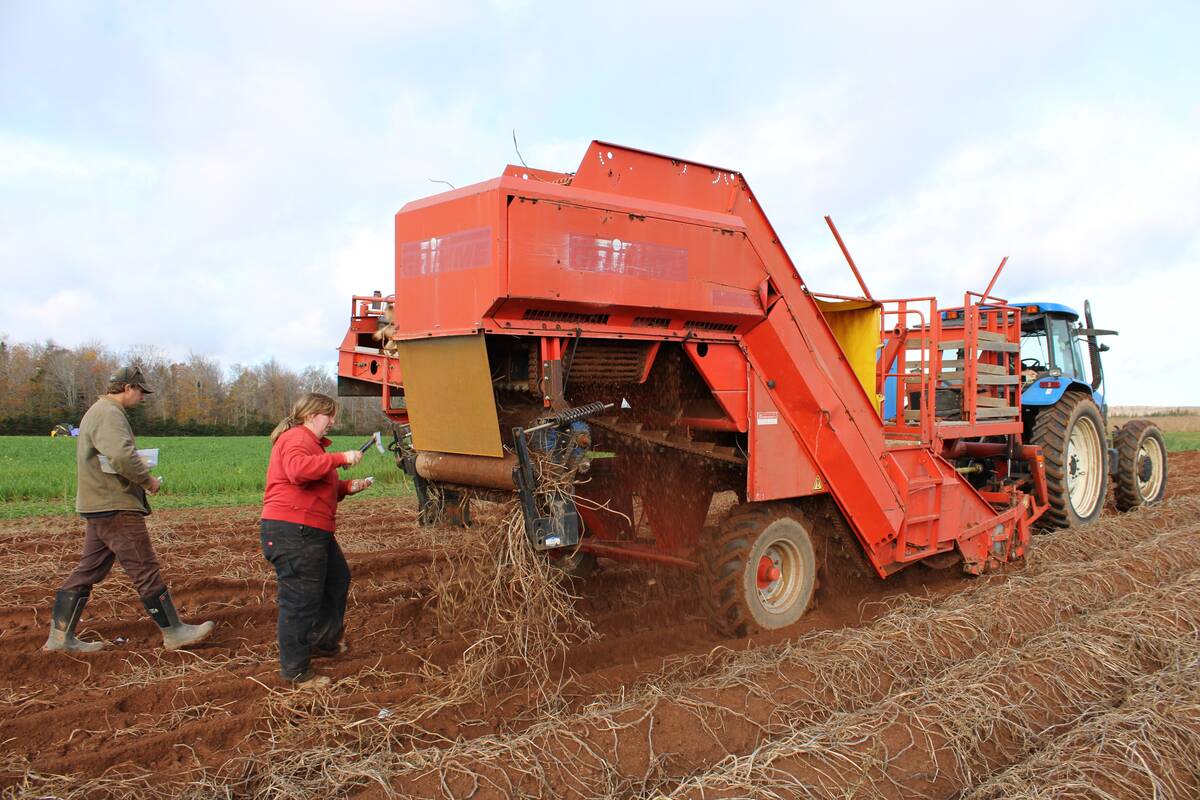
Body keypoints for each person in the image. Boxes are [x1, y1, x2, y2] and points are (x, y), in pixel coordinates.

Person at [44, 366, 215, 653]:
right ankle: (174, 632)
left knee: (89, 570)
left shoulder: (97, 412)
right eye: (141, 392)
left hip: (99, 504)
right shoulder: (109, 413)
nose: (142, 398)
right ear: (127, 388)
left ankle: (60, 638)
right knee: (144, 568)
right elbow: (122, 455)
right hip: (115, 504)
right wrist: (147, 480)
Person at [260, 392, 372, 688]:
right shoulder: (297, 438)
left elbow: (318, 486)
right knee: (301, 600)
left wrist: (347, 487)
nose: (333, 421)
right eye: (329, 415)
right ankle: (295, 670)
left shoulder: (311, 445)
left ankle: (323, 641)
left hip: (310, 529)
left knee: (337, 579)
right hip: (293, 530)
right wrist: (340, 458)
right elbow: (298, 472)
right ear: (310, 415)